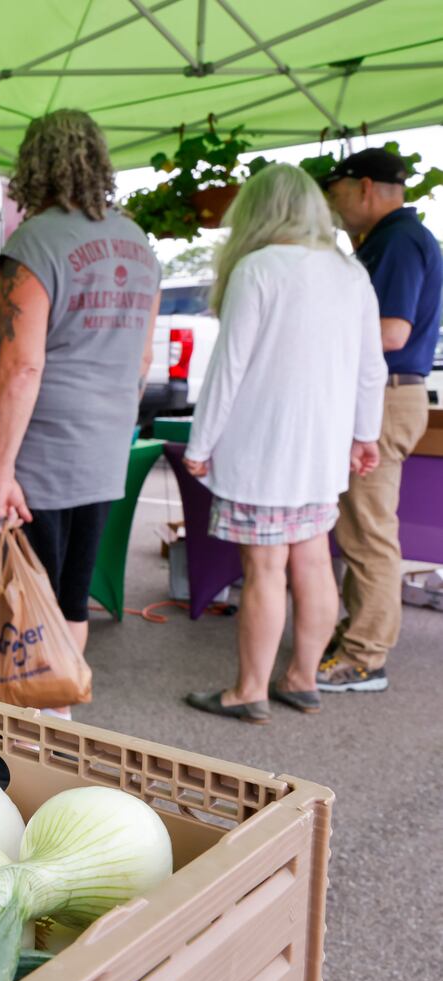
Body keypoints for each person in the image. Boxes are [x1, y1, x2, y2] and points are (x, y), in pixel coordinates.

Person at [0, 109, 160, 672]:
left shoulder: (38, 242)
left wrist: (2, 473)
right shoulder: (137, 243)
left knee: (17, 594)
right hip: (99, 450)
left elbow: (22, 365)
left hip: (36, 458)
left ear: (33, 166)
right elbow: (142, 357)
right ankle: (55, 718)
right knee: (70, 594)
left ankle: (8, 745)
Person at [181, 165, 386, 723]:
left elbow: (228, 371)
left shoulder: (258, 269)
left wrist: (200, 442)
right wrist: (365, 435)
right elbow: (372, 368)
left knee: (266, 569)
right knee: (316, 562)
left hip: (261, 451)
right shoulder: (350, 274)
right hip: (321, 450)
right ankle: (302, 680)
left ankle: (248, 690)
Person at [318, 147, 443, 693]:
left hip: (386, 396)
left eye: (336, 190)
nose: (332, 202)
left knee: (368, 530)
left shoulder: (395, 241)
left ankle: (365, 656)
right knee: (362, 526)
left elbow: (391, 332)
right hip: (390, 395)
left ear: (363, 186)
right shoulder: (396, 239)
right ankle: (357, 636)